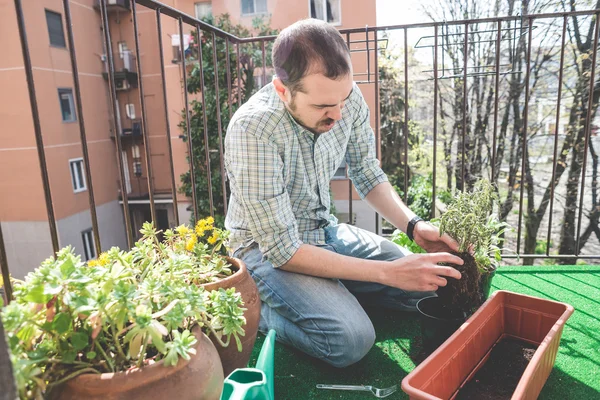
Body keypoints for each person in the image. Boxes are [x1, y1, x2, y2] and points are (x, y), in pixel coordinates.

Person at [223, 19, 463, 368]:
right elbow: (284, 250)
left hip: (325, 231)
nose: (337, 113)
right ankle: (256, 311)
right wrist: (387, 273)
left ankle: (334, 293)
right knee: (350, 341)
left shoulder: (343, 97)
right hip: (264, 250)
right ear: (282, 90)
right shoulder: (252, 130)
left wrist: (414, 226)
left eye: (343, 98)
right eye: (323, 107)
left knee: (429, 286)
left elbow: (366, 172)